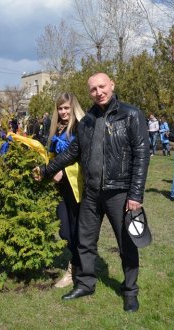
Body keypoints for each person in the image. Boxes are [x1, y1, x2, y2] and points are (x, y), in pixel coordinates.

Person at [33, 73, 150, 312]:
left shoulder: (131, 115)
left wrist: (135, 195)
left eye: (102, 87)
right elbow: (71, 153)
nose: (98, 92)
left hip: (120, 193)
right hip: (91, 193)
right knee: (84, 241)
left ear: (112, 86)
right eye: (93, 89)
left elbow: (141, 155)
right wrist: (46, 170)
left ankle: (130, 290)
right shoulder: (86, 121)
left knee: (126, 243)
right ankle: (86, 283)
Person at [46, 92, 85, 288]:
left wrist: (63, 169)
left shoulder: (80, 127)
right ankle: (78, 265)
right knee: (64, 231)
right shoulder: (57, 129)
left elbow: (83, 157)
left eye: (66, 108)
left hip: (78, 186)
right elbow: (52, 154)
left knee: (78, 231)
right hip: (60, 187)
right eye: (60, 108)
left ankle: (74, 269)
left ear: (73, 107)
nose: (63, 112)